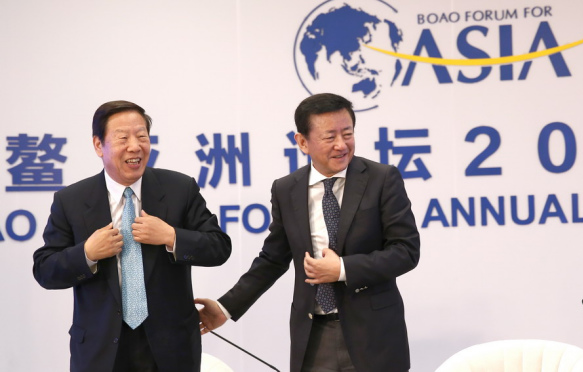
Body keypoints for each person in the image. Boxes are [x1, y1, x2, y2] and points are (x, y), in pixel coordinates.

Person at [195, 93, 420, 372]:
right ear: (302, 142)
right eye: (330, 137)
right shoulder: (286, 189)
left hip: (373, 335)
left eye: (347, 134)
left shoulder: (382, 179)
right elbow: (272, 260)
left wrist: (341, 269)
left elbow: (405, 251)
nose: (342, 145)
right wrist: (225, 308)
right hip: (314, 336)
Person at [33, 100, 232, 372]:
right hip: (100, 350)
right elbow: (45, 269)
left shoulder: (179, 189)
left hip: (171, 349)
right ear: (98, 145)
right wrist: (86, 254)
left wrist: (172, 236)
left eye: (142, 137)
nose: (135, 146)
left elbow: (219, 247)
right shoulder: (72, 200)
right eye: (122, 138)